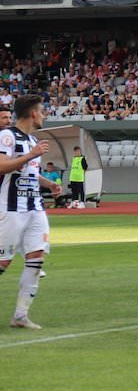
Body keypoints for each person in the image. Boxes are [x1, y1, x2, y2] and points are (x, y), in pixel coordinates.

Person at [0, 94, 62, 329]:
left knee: (36, 259)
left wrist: (49, 183)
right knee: (2, 263)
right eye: (42, 111)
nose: (44, 116)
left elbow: (29, 172)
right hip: (11, 208)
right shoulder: (7, 136)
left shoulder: (32, 139)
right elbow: (2, 165)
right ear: (33, 113)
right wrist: (31, 154)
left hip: (35, 208)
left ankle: (20, 315)